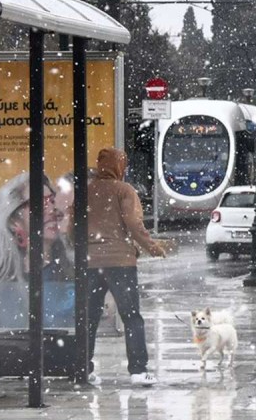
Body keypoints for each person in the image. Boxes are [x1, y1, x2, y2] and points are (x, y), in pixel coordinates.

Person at [85, 148, 166, 386]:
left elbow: (72, 225)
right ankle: (138, 371)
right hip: (120, 262)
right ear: (120, 166)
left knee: (88, 318)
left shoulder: (86, 191)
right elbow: (133, 223)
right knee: (131, 317)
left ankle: (83, 367)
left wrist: (86, 247)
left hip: (90, 263)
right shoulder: (124, 190)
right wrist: (152, 247)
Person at [0, 173, 73, 327]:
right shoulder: (1, 283)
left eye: (52, 201)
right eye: (39, 203)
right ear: (14, 220)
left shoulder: (72, 270)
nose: (52, 210)